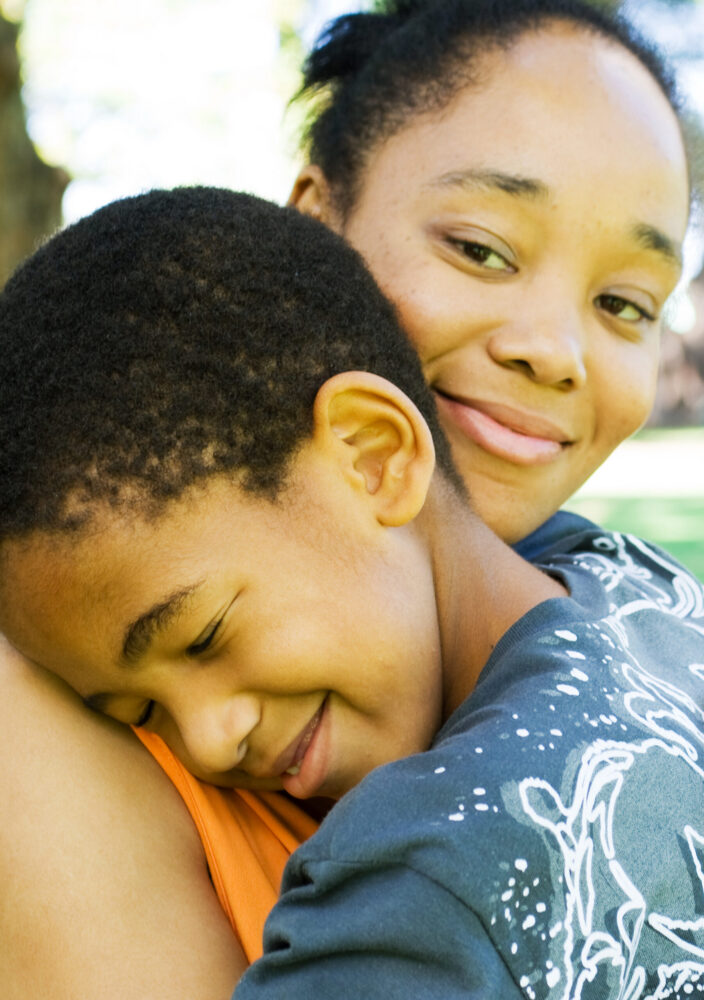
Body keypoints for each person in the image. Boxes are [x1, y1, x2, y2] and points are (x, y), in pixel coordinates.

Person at [0, 0, 692, 993]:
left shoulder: (442, 871)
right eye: (481, 248)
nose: (553, 349)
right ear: (318, 222)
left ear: (377, 452)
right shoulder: (634, 601)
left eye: (624, 304)